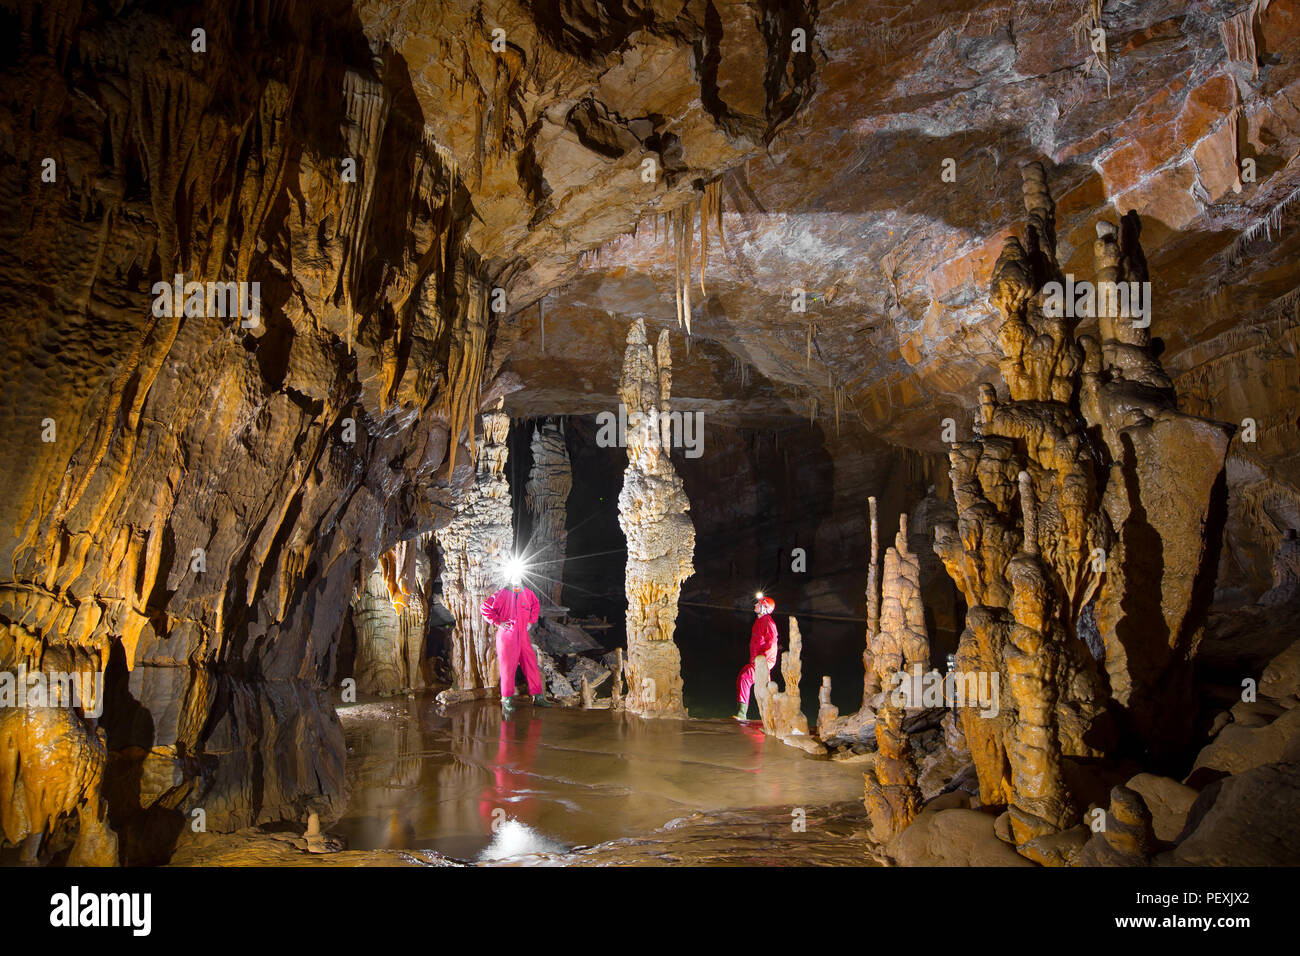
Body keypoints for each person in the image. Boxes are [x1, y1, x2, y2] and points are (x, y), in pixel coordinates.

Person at [481, 559, 547, 717]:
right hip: (507, 636)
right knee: (507, 668)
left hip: (523, 635)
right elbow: (485, 608)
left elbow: (536, 605)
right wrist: (498, 622)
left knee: (531, 664)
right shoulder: (501, 594)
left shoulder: (528, 593)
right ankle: (507, 698)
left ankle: (538, 696)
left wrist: (531, 621)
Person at [735, 594, 779, 720]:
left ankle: (741, 714)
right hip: (756, 660)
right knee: (743, 675)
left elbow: (772, 644)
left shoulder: (768, 622)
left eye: (758, 604)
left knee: (745, 677)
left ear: (765, 608)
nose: (755, 605)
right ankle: (769, 715)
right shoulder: (759, 621)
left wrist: (762, 660)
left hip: (763, 661)